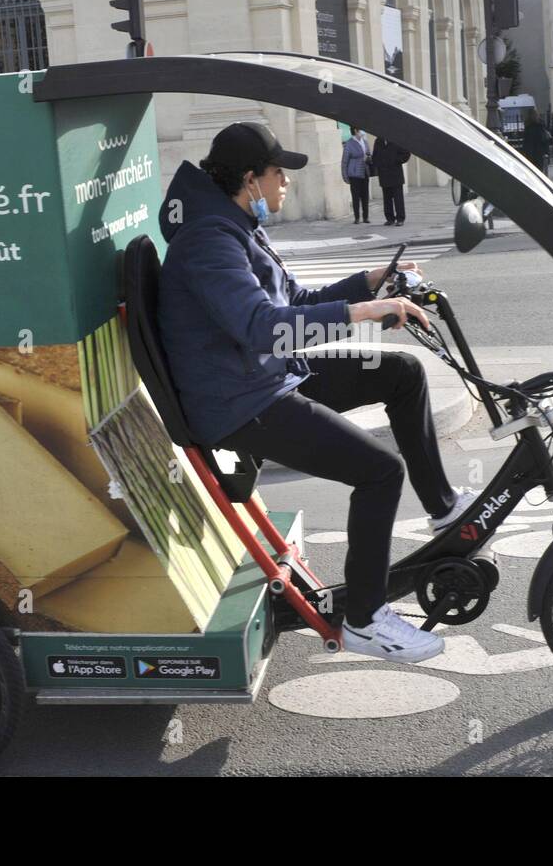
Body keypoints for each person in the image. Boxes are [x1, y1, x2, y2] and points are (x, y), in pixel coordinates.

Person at [156, 122, 477, 663]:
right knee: (379, 471)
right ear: (251, 180)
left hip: (265, 376)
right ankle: (366, 619)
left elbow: (295, 300)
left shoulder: (233, 227)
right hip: (240, 403)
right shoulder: (210, 241)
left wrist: (369, 283)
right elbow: (264, 327)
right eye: (280, 173)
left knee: (400, 372)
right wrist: (361, 314)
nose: (286, 184)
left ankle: (443, 507)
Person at [371, 135, 411, 226]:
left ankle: (400, 218)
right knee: (387, 198)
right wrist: (379, 165)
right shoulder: (378, 141)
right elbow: (375, 156)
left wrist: (397, 160)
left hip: (395, 174)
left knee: (398, 198)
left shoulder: (396, 139)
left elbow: (406, 153)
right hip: (384, 174)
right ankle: (390, 218)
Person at [341, 126, 371, 223]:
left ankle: (366, 217)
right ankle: (357, 217)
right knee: (356, 196)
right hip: (354, 173)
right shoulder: (349, 144)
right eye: (360, 130)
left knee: (365, 195)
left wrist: (368, 157)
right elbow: (344, 161)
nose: (362, 132)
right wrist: (345, 176)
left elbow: (368, 153)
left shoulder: (364, 141)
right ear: (355, 131)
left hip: (364, 171)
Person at [521, 107, 552, 172]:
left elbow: (526, 139)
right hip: (540, 150)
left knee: (532, 169)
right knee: (540, 167)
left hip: (530, 150)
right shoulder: (541, 123)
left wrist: (524, 150)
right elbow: (544, 138)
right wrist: (547, 151)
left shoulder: (528, 124)